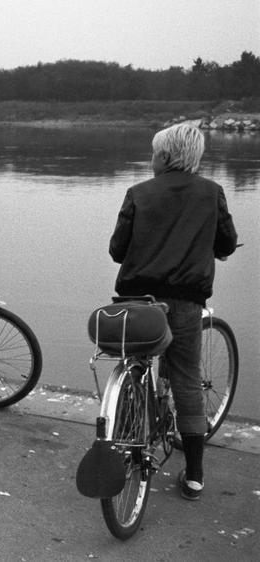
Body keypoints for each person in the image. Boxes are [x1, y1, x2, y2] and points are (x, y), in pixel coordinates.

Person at [109, 123, 238, 501]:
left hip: (135, 301)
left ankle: (129, 433)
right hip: (184, 301)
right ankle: (195, 475)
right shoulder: (211, 193)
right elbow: (226, 242)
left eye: (153, 154)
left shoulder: (138, 193)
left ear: (165, 157)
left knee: (136, 360)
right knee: (186, 378)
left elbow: (118, 251)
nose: (151, 160)